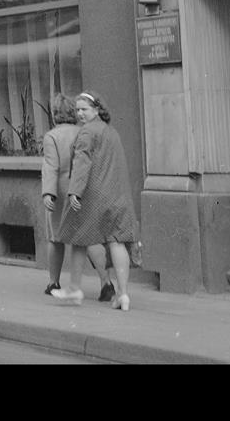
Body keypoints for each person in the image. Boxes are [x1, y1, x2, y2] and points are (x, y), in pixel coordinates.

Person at [50, 91, 138, 312]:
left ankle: (74, 289)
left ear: (97, 109)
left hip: (94, 194)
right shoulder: (111, 132)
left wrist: (74, 192)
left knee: (78, 237)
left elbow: (82, 163)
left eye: (84, 109)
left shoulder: (86, 133)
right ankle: (123, 294)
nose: (79, 113)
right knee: (116, 241)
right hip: (117, 194)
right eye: (77, 109)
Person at [41, 93, 112, 300]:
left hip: (61, 191)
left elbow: (51, 167)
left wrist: (48, 192)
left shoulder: (51, 137)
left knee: (55, 238)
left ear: (54, 114)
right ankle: (106, 282)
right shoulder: (84, 132)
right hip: (82, 189)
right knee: (89, 237)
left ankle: (53, 281)